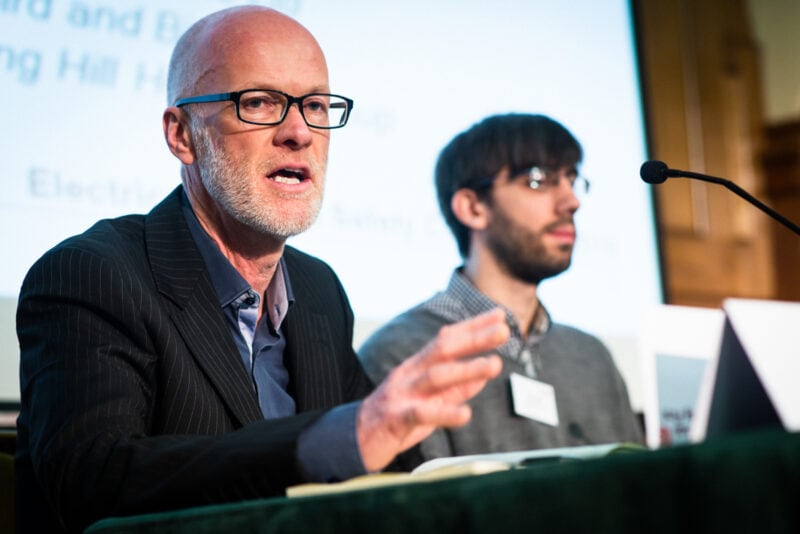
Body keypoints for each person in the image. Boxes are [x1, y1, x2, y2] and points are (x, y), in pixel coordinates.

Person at [14, 6, 510, 533]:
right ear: (181, 135)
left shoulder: (319, 291)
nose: (299, 132)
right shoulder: (92, 276)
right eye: (259, 102)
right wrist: (326, 444)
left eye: (315, 106)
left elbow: (386, 464)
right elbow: (95, 483)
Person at [359, 114, 643, 462]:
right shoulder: (404, 354)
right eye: (538, 181)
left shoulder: (591, 356)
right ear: (473, 208)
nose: (571, 201)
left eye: (571, 179)